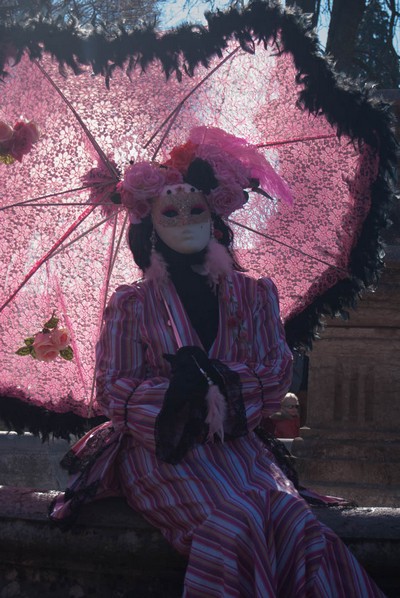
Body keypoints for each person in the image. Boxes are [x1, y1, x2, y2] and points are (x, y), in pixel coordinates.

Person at [50, 128, 385, 597]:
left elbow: (274, 371)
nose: (185, 218)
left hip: (240, 450)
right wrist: (176, 397)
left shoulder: (255, 295)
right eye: (171, 211)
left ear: (216, 215)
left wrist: (220, 387)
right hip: (160, 453)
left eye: (196, 209)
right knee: (237, 522)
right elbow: (113, 386)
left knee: (293, 522)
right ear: (149, 223)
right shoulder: (132, 303)